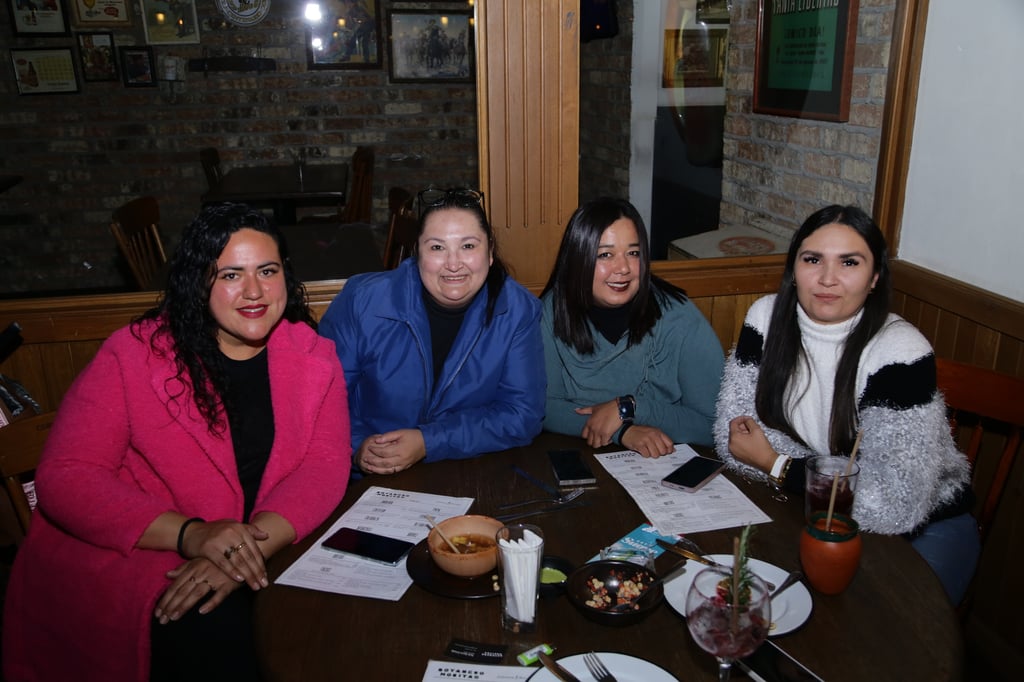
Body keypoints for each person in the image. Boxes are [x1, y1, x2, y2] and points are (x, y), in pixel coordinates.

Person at [2, 204, 352, 682]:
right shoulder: (135, 352)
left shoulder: (312, 353)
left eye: (267, 271)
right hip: (140, 553)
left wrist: (245, 549)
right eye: (230, 274)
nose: (254, 291)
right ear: (199, 281)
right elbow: (66, 477)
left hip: (256, 542)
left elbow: (324, 465)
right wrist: (194, 535)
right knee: (227, 644)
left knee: (329, 633)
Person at [714, 204, 978, 604]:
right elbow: (732, 441)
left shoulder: (899, 351)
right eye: (812, 259)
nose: (827, 278)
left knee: (881, 639)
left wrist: (776, 463)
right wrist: (839, 475)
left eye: (849, 262)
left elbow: (893, 504)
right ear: (794, 269)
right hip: (812, 506)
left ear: (874, 278)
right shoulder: (764, 319)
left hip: (925, 528)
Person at [318, 189, 545, 476]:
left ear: (489, 254)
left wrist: (429, 441)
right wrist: (358, 446)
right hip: (365, 475)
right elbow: (324, 397)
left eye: (468, 246)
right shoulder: (362, 300)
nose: (453, 264)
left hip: (465, 468)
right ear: (418, 255)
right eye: (437, 248)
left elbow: (522, 414)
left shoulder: (517, 310)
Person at [541, 197, 724, 457]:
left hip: (664, 465)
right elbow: (543, 408)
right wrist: (622, 431)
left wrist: (629, 408)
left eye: (633, 253)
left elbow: (713, 427)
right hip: (578, 457)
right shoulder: (552, 311)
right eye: (605, 255)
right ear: (578, 259)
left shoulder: (680, 317)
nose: (624, 268)